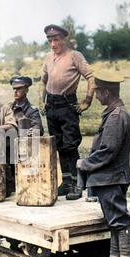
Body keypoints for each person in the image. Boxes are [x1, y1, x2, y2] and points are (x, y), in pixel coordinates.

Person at [77, 70, 130, 257]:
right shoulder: (114, 113)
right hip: (110, 177)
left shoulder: (116, 116)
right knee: (114, 223)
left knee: (119, 222)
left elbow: (108, 151)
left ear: (106, 92)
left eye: (97, 91)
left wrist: (84, 164)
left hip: (111, 178)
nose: (96, 96)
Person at [41, 24, 95, 200]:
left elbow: (90, 77)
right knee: (58, 146)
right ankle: (66, 182)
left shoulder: (74, 56)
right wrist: (43, 101)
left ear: (64, 39)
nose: (53, 44)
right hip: (52, 106)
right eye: (50, 40)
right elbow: (43, 80)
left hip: (67, 105)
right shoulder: (48, 58)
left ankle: (77, 184)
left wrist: (87, 100)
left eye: (56, 40)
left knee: (71, 146)